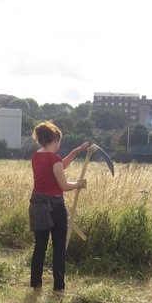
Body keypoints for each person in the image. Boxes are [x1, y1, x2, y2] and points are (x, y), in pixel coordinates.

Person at [28, 122, 89, 293]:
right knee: (58, 248)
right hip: (54, 208)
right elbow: (63, 184)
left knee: (39, 246)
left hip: (37, 205)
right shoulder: (53, 159)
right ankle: (58, 287)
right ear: (55, 140)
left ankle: (35, 285)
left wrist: (76, 152)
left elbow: (58, 167)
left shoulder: (36, 156)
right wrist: (78, 184)